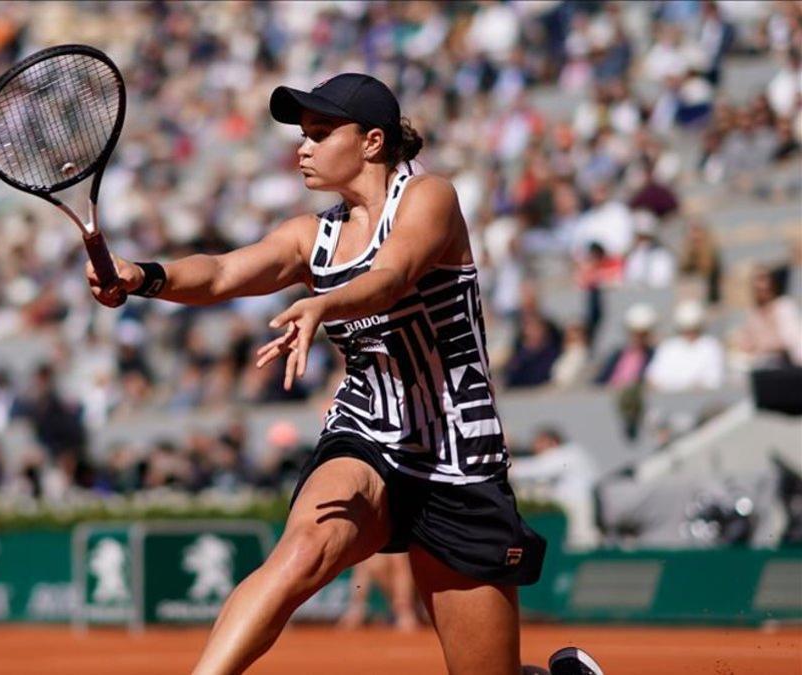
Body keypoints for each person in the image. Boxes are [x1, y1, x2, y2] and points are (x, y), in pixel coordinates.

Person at [87, 73, 602, 675]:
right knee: (302, 549)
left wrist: (324, 304)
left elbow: (394, 271)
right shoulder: (313, 235)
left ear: (372, 142)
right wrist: (144, 276)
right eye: (303, 135)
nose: (302, 148)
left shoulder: (431, 197)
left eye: (320, 133)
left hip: (456, 447)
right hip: (367, 429)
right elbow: (224, 273)